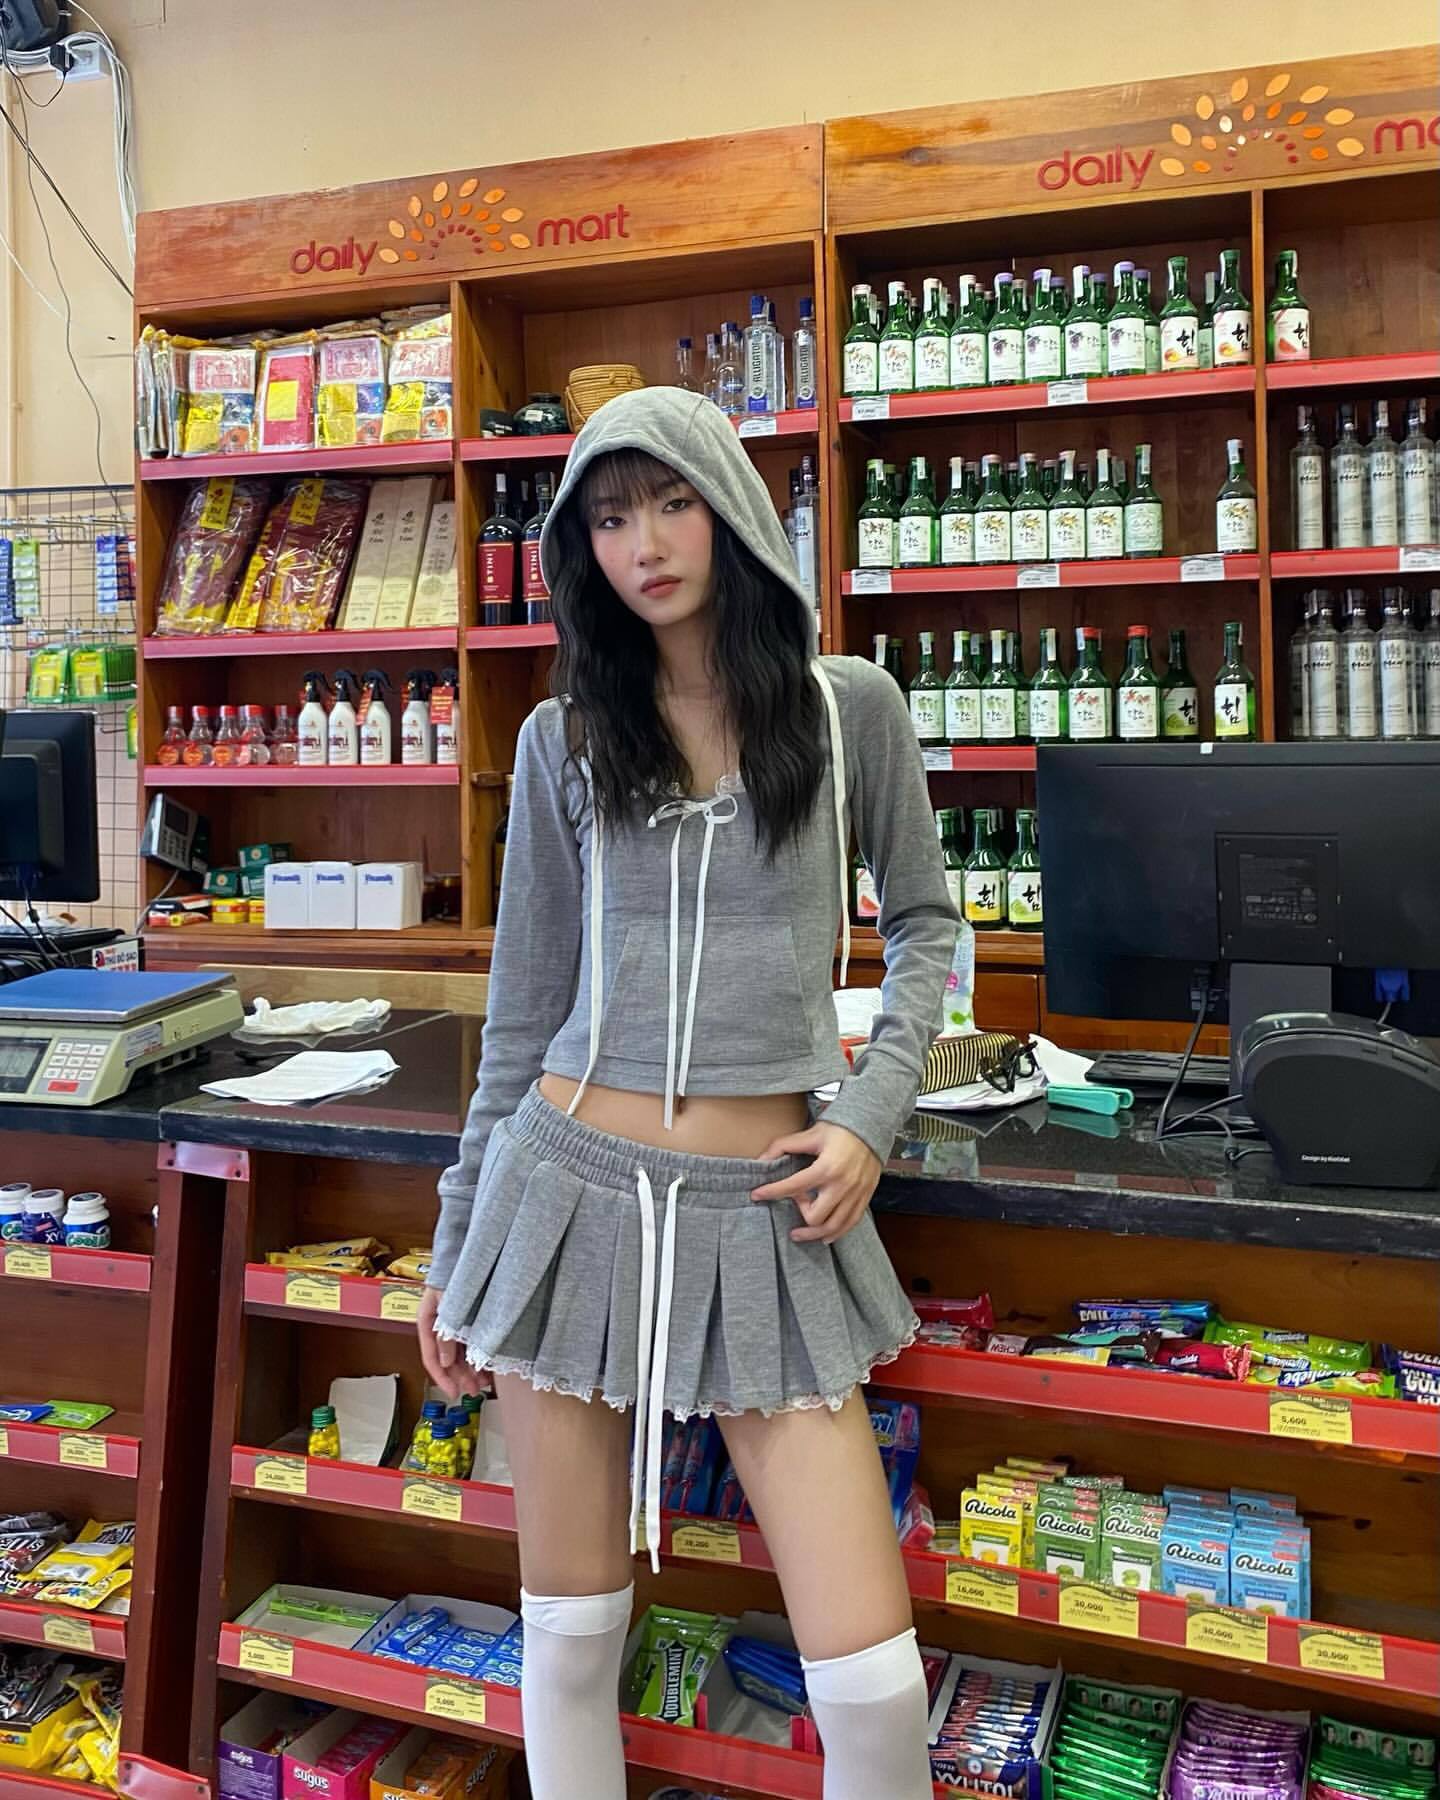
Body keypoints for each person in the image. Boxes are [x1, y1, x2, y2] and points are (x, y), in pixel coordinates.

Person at [418, 386, 957, 1799]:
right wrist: (455, 1245)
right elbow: (523, 1014)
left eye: (670, 504)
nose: (643, 545)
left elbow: (928, 927)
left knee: (877, 1691)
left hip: (765, 1212)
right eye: (608, 520)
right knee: (570, 1649)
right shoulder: (565, 739)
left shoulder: (849, 711)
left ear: (731, 511)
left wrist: (869, 1116)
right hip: (565, 1196)